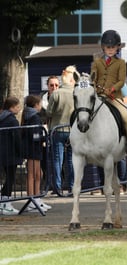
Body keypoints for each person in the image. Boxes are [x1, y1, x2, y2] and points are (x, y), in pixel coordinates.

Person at [91, 29, 127, 154]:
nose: (110, 49)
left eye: (113, 47)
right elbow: (93, 78)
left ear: (117, 48)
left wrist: (113, 89)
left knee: (124, 114)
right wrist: (95, 88)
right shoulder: (97, 62)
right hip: (99, 95)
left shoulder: (121, 63)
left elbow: (121, 80)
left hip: (114, 96)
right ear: (103, 47)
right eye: (107, 47)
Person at [47, 65, 79, 196]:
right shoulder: (76, 93)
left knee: (57, 160)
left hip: (57, 129)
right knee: (71, 160)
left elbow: (49, 112)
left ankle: (58, 187)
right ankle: (72, 187)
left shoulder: (56, 93)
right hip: (72, 130)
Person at [21, 95, 51, 211]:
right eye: (39, 103)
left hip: (35, 148)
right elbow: (35, 134)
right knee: (33, 174)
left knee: (39, 174)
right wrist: (44, 136)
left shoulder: (32, 116)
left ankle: (37, 198)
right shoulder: (34, 117)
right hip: (32, 149)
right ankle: (31, 200)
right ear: (35, 105)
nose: (41, 106)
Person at [0, 96, 21, 215]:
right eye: (17, 107)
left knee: (8, 178)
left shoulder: (2, 118)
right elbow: (17, 139)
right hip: (11, 153)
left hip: (3, 153)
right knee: (10, 178)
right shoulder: (12, 120)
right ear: (12, 107)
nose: (19, 109)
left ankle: (4, 201)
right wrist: (20, 152)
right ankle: (6, 202)